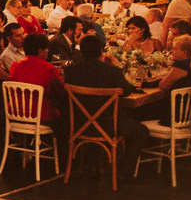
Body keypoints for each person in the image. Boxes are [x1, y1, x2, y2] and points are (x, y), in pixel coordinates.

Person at [62, 35, 145, 171]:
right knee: (140, 130)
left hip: (78, 123)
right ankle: (124, 171)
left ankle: (91, 164)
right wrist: (115, 66)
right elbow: (126, 90)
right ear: (101, 51)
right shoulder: (111, 71)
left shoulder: (71, 70)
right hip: (108, 125)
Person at [8, 33, 65, 124]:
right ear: (40, 51)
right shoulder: (49, 69)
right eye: (46, 49)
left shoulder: (15, 66)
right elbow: (61, 91)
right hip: (41, 115)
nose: (48, 51)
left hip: (16, 113)